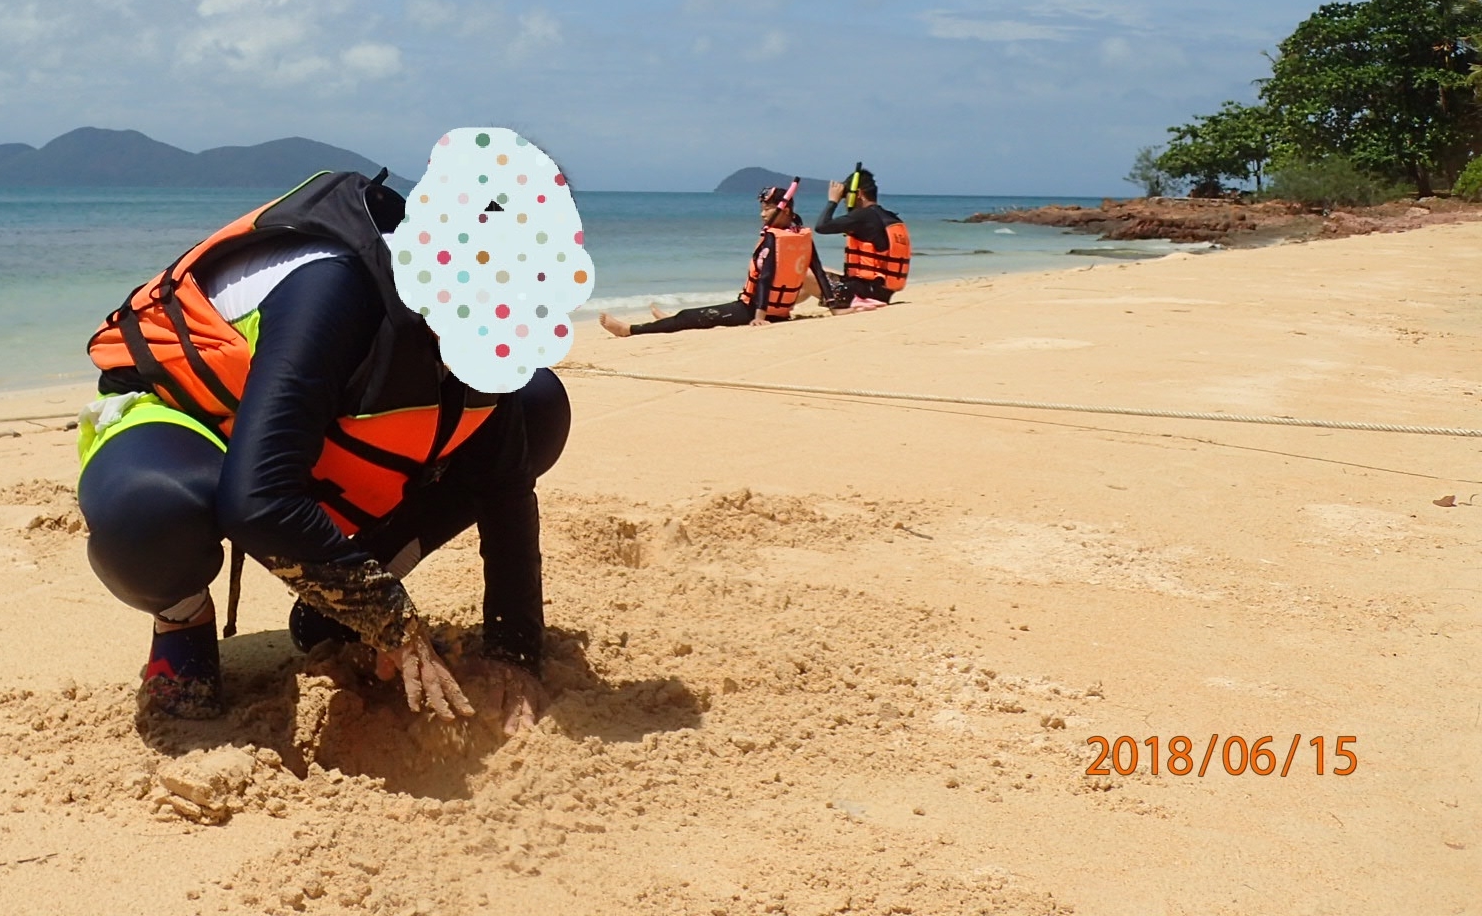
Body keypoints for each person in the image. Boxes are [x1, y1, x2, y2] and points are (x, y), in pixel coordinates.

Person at [75, 139, 585, 737]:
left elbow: (504, 487)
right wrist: (395, 623)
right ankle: (181, 616)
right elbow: (257, 501)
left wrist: (514, 650)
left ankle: (331, 610)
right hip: (188, 430)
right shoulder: (332, 286)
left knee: (538, 406)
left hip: (309, 448)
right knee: (150, 516)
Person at [598, 183, 816, 336]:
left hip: (752, 311)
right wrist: (835, 306)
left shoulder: (773, 238)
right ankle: (667, 320)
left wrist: (759, 316)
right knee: (692, 317)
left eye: (767, 209)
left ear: (783, 210)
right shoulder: (799, 236)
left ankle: (629, 330)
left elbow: (766, 278)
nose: (762, 215)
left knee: (690, 316)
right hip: (778, 312)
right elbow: (817, 271)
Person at [810, 166, 911, 312]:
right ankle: (782, 309)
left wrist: (832, 201)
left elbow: (821, 227)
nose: (844, 202)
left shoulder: (863, 216)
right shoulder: (891, 217)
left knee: (803, 271)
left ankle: (837, 308)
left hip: (859, 293)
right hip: (881, 293)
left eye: (845, 197)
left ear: (858, 194)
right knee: (818, 269)